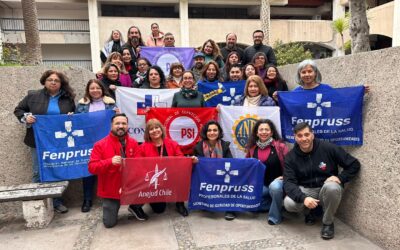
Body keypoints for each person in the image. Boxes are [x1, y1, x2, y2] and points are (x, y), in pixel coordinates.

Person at [283, 122, 361, 239]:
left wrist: (340, 178)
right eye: (300, 135)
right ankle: (309, 212)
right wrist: (304, 198)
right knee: (289, 203)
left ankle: (328, 223)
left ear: (312, 135)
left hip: (326, 188)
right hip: (306, 190)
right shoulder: (290, 157)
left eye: (307, 134)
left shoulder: (328, 147)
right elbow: (288, 183)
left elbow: (354, 164)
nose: (304, 138)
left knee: (333, 187)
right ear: (295, 137)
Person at [14, 70, 76, 214]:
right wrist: (26, 117)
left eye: (57, 80)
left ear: (61, 83)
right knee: (38, 171)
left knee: (57, 169)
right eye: (50, 79)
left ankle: (56, 202)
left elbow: (74, 114)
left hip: (59, 142)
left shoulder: (67, 98)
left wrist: (71, 116)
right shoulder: (33, 95)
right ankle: (38, 203)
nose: (53, 82)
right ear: (44, 81)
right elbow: (18, 110)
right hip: (37, 141)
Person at [88, 114, 143, 228]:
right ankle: (114, 208)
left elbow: (139, 164)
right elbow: (92, 168)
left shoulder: (133, 143)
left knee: (152, 184)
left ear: (127, 126)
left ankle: (135, 206)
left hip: (130, 186)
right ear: (111, 126)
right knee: (109, 224)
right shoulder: (100, 145)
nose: (121, 126)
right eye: (117, 123)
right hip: (111, 190)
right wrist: (109, 162)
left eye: (124, 123)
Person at [76, 79, 118, 213]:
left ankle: (110, 197)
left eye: (98, 88)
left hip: (106, 142)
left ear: (102, 89)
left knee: (108, 168)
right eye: (92, 88)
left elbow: (115, 122)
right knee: (89, 170)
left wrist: (117, 114)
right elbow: (78, 122)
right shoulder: (82, 105)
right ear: (88, 90)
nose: (95, 91)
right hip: (88, 142)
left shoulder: (111, 104)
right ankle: (87, 199)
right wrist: (71, 116)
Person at [137, 119, 189, 217]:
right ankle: (156, 197)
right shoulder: (143, 147)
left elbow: (180, 157)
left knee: (181, 176)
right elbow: (139, 165)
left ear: (161, 129)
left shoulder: (172, 143)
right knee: (159, 210)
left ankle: (180, 203)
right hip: (154, 179)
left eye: (157, 127)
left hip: (171, 175)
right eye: (151, 129)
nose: (155, 130)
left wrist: (187, 160)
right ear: (148, 133)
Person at [246, 119, 288, 225]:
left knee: (275, 187)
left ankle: (275, 217)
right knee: (250, 205)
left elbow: (290, 165)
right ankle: (277, 204)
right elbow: (247, 166)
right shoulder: (252, 148)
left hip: (279, 183)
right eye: (261, 129)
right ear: (257, 132)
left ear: (272, 132)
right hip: (262, 185)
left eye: (267, 129)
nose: (264, 132)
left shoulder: (280, 146)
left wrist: (284, 176)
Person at [193, 120, 233, 220]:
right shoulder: (198, 147)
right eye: (209, 130)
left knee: (233, 181)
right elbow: (195, 166)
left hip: (222, 177)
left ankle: (231, 209)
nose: (212, 133)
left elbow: (231, 163)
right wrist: (194, 161)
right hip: (205, 178)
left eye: (215, 130)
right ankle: (205, 202)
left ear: (219, 132)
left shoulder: (225, 145)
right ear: (205, 133)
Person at [293, 59, 370, 93]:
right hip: (303, 126)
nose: (307, 74)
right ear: (299, 75)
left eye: (310, 71)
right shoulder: (295, 93)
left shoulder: (326, 89)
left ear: (315, 73)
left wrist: (360, 91)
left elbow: (343, 100)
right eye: (303, 72)